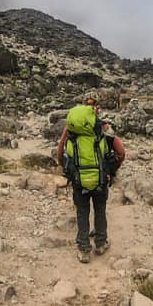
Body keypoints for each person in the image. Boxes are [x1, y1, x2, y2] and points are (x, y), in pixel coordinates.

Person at [55, 96, 126, 263]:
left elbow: (60, 150)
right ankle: (101, 243)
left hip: (78, 179)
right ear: (97, 109)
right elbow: (121, 152)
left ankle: (84, 249)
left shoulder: (71, 130)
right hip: (101, 178)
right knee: (100, 209)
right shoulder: (104, 127)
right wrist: (111, 170)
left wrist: (66, 169)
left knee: (82, 212)